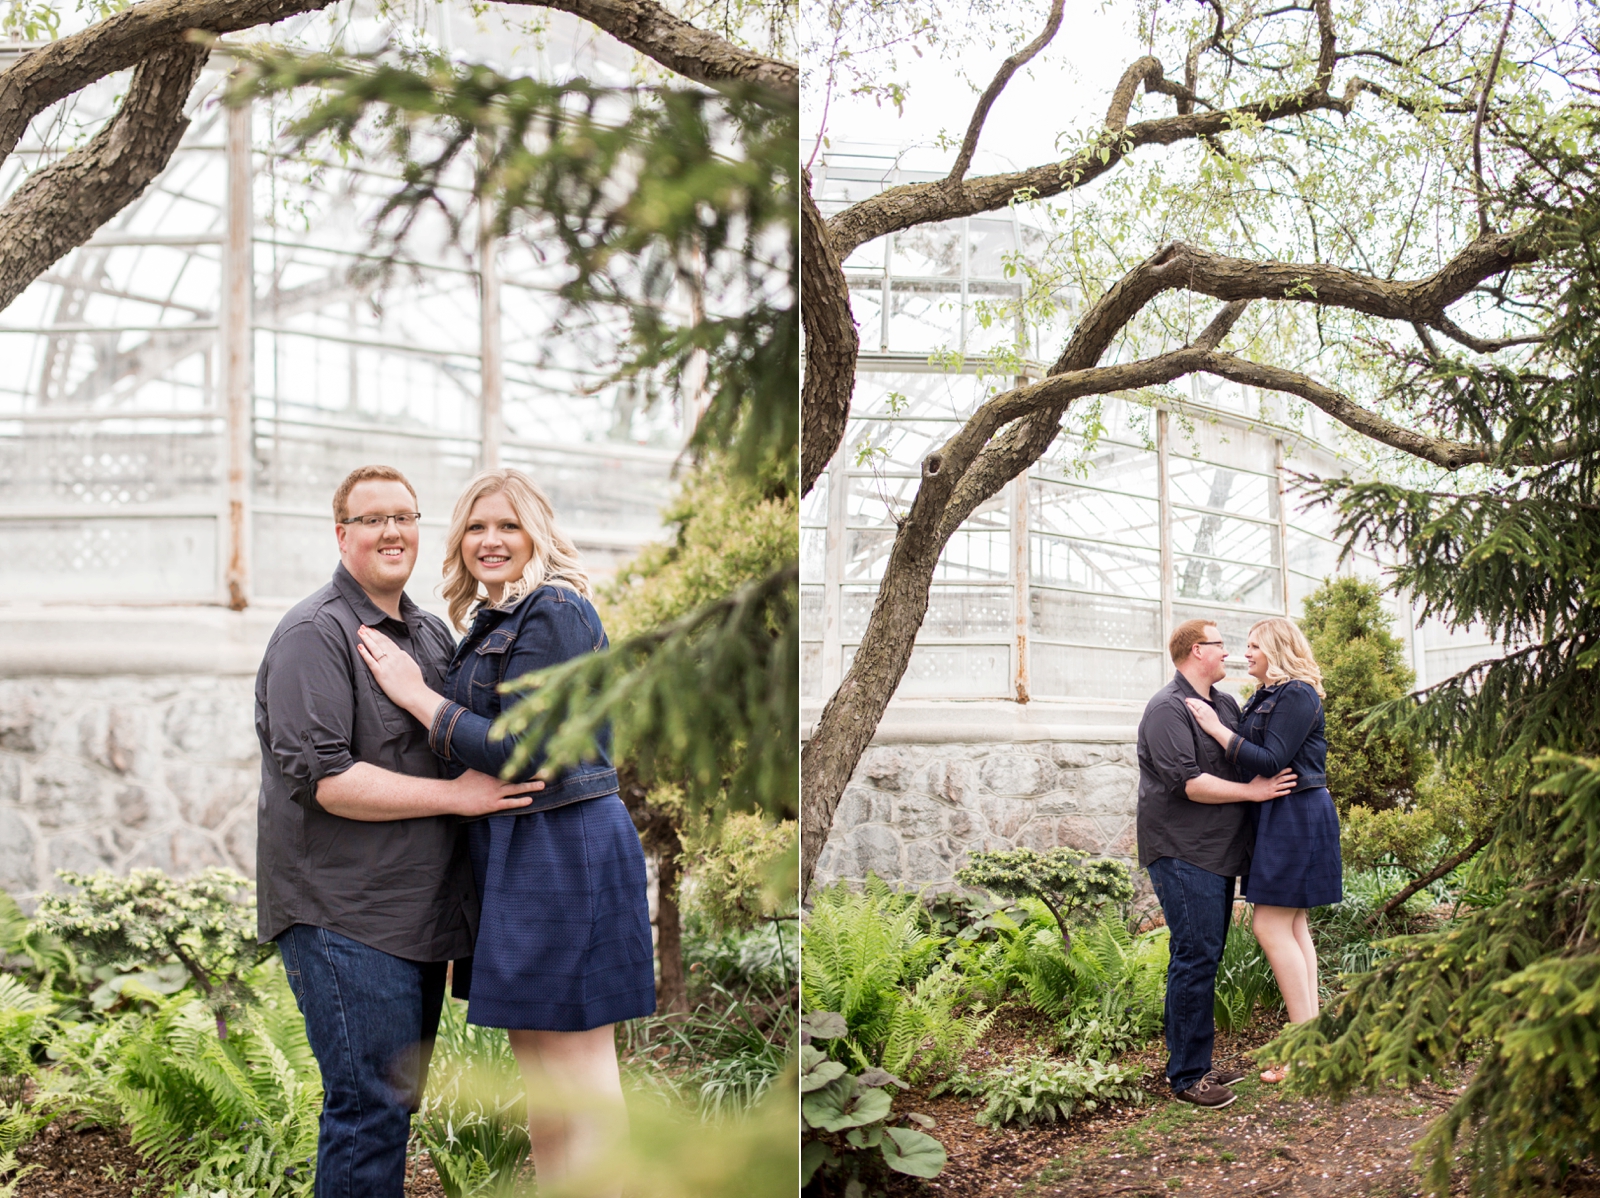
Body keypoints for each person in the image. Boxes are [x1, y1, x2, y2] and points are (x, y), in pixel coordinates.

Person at [357, 467, 655, 1194]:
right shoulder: (490, 624)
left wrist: (414, 694)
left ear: (538, 535)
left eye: (508, 526)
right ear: (460, 542)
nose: (491, 541)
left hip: (565, 851)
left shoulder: (555, 610)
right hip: (521, 857)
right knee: (545, 1086)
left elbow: (525, 751)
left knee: (580, 1080)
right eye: (477, 528)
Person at [255, 465, 545, 1198]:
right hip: (342, 917)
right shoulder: (312, 636)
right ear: (341, 533)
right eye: (371, 518)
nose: (391, 531)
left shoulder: (426, 633)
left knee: (392, 1106)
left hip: (412, 918)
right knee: (368, 1110)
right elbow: (328, 782)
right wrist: (459, 798)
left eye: (404, 517)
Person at [1136, 618, 1298, 1109]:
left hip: (1219, 851)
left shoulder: (1223, 704)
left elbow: (1251, 752)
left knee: (1206, 956)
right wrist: (1252, 792)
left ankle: (1199, 1063)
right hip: (1183, 852)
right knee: (1195, 957)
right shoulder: (1166, 710)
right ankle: (1187, 1076)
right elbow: (1189, 783)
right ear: (1194, 651)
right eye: (1220, 645)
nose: (1228, 654)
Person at [1186, 616, 1340, 1083]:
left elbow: (1272, 761)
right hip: (1282, 812)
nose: (1244, 652)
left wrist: (1216, 728)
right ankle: (1311, 1045)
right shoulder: (1269, 695)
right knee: (1293, 925)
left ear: (1277, 649)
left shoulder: (1296, 693)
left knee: (1270, 924)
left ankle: (1299, 1053)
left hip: (1295, 812)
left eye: (1254, 645)